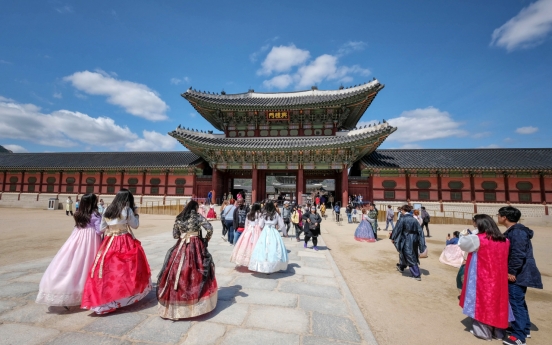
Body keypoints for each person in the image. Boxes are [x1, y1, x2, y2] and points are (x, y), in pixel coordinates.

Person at [81, 189, 151, 314]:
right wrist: (136, 214)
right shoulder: (127, 210)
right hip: (124, 239)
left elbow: (102, 228)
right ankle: (123, 295)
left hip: (109, 241)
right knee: (125, 269)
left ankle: (104, 298)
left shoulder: (107, 210)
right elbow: (135, 225)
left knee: (107, 269)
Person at [36, 193, 102, 308]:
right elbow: (99, 231)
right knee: (87, 264)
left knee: (72, 262)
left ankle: (62, 290)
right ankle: (85, 293)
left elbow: (77, 226)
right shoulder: (95, 214)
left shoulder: (78, 214)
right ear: (93, 203)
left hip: (76, 237)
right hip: (91, 240)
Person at [157, 200, 217, 319]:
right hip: (196, 244)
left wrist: (183, 233)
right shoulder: (197, 216)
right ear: (195, 208)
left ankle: (176, 300)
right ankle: (196, 301)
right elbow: (209, 228)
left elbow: (175, 235)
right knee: (197, 269)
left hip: (182, 245)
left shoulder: (179, 217)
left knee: (176, 270)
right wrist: (205, 240)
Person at [459, 214, 510, 341]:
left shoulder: (477, 239)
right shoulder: (505, 240)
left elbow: (463, 245)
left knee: (482, 302)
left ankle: (483, 332)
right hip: (499, 277)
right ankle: (498, 332)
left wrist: (465, 235)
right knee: (498, 303)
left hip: (483, 276)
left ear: (479, 224)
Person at [498, 206, 543, 345]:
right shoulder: (516, 230)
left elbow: (518, 253)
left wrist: (511, 271)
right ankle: (525, 328)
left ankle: (519, 336)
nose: (498, 217)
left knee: (516, 302)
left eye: (499, 215)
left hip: (519, 273)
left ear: (505, 217)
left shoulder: (517, 232)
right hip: (520, 272)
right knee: (519, 301)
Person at [248, 202, 288, 273]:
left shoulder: (264, 214)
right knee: (274, 248)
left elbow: (260, 225)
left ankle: (264, 265)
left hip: (265, 232)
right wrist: (285, 233)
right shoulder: (276, 214)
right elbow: (282, 225)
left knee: (264, 248)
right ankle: (273, 265)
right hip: (274, 231)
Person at [390, 205, 426, 281]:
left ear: (403, 210)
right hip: (415, 239)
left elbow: (397, 229)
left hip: (406, 239)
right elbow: (420, 231)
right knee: (406, 253)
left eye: (402, 210)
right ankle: (401, 266)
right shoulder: (414, 219)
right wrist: (421, 242)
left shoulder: (402, 219)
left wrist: (393, 237)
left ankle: (416, 274)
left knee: (409, 254)